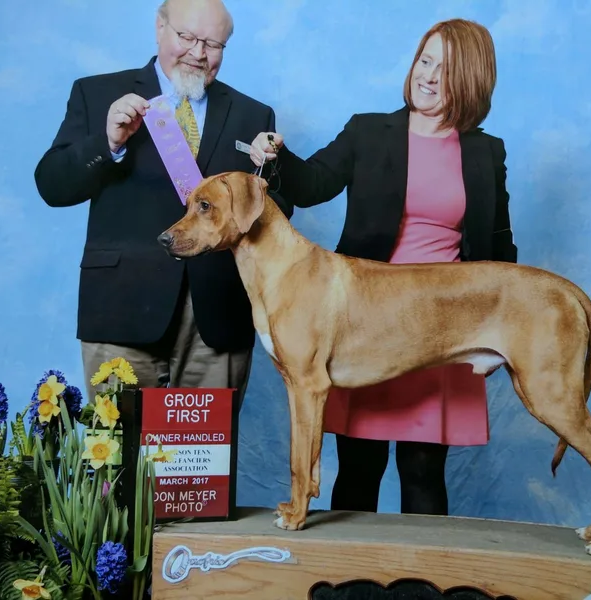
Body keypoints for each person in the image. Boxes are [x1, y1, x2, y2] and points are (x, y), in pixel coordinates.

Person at [249, 19, 517, 516]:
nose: (429, 76)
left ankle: (428, 590)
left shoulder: (486, 151)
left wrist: (501, 327)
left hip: (444, 325)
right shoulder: (368, 131)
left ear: (473, 81)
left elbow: (500, 246)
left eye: (447, 68)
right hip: (363, 323)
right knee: (358, 468)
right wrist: (277, 157)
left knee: (423, 471)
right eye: (425, 60)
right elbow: (310, 186)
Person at [34, 0, 292, 404]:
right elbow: (51, 186)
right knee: (117, 459)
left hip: (218, 313)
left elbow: (276, 216)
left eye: (213, 44)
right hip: (122, 305)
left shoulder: (253, 115)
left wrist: (273, 171)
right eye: (187, 37)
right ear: (160, 28)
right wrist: (108, 142)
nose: (198, 53)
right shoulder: (96, 93)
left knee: (206, 462)